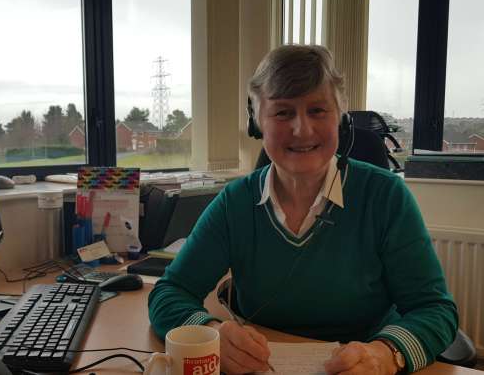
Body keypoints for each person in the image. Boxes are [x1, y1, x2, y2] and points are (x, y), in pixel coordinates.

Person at [148, 44, 458, 375]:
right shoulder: (234, 202)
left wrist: (385, 355)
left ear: (341, 118)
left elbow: (435, 310)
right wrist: (211, 334)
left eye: (317, 110)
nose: (302, 129)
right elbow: (169, 293)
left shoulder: (386, 196)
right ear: (256, 122)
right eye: (283, 112)